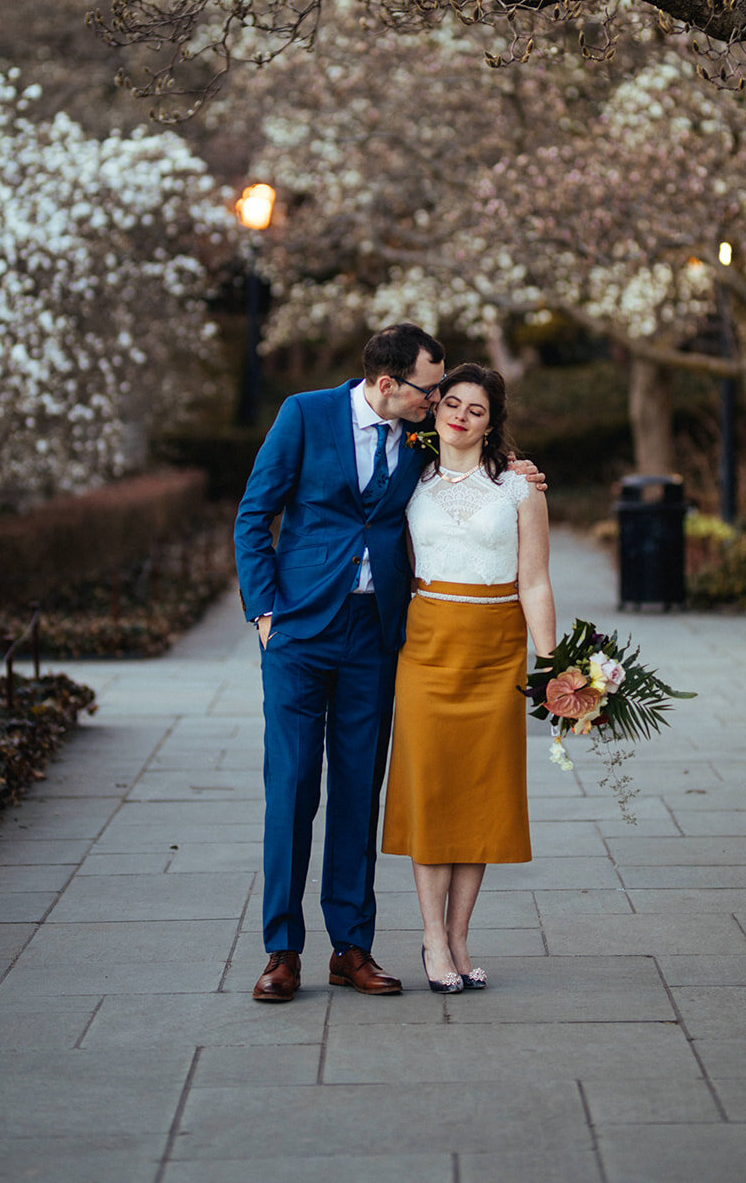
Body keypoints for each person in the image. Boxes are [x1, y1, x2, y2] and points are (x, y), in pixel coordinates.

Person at [234, 323, 446, 1002]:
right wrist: (264, 614)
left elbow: (476, 461)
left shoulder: (420, 434)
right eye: (427, 388)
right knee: (292, 788)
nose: (436, 401)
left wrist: (521, 475)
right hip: (298, 632)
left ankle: (350, 946)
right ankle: (281, 950)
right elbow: (254, 514)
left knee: (360, 788)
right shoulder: (304, 414)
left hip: (373, 632)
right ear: (386, 384)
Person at [381, 362, 556, 992]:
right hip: (426, 648)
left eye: (475, 410)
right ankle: (431, 938)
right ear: (435, 410)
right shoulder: (410, 475)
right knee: (432, 792)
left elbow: (534, 580)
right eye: (450, 403)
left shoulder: (519, 489)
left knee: (480, 795)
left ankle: (459, 938)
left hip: (495, 650)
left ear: (491, 423)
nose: (459, 416)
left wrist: (553, 666)